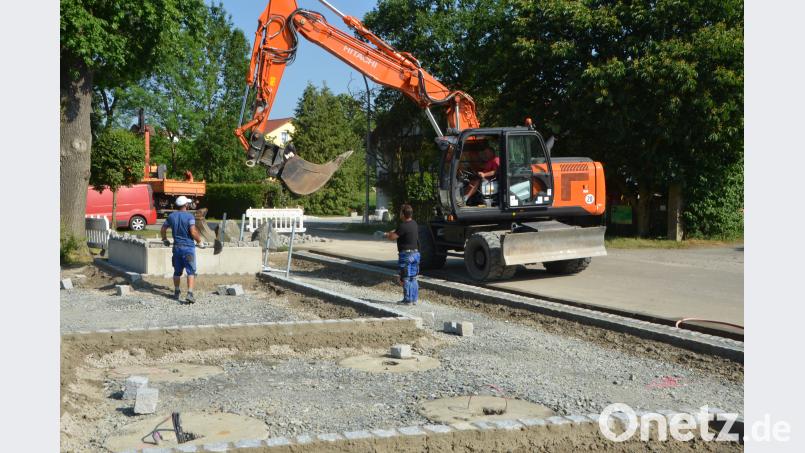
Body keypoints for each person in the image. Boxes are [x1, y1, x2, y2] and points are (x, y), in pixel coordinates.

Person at [161, 196, 205, 303]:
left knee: (177, 272)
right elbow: (193, 232)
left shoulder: (171, 216)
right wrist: (200, 242)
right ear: (185, 205)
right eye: (188, 204)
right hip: (188, 248)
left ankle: (177, 292)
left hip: (177, 248)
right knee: (191, 271)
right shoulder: (189, 217)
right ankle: (189, 293)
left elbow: (163, 229)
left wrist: (164, 239)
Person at [383, 204, 420, 305]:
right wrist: (394, 232)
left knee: (405, 277)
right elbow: (401, 232)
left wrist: (387, 234)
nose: (399, 213)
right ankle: (414, 299)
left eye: (400, 212)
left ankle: (407, 300)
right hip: (416, 254)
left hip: (406, 256)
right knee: (413, 277)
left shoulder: (402, 226)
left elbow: (392, 237)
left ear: (403, 214)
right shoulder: (414, 223)